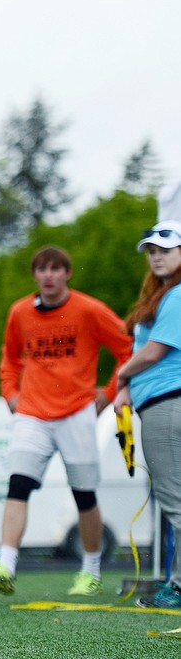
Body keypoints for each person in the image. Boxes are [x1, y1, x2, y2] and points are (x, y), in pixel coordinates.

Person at [0, 245, 132, 596]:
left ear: (67, 274)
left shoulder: (89, 309)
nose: (48, 275)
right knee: (18, 485)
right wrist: (9, 393)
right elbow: (9, 358)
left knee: (84, 495)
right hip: (32, 412)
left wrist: (108, 393)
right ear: (34, 275)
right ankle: (6, 567)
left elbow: (127, 349)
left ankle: (90, 571)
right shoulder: (19, 312)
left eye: (55, 268)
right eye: (42, 269)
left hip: (77, 411)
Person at [112, 218, 181, 609]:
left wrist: (122, 374)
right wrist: (125, 386)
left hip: (168, 405)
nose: (156, 257)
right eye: (152, 251)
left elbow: (153, 353)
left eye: (166, 250)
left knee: (175, 504)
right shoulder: (167, 295)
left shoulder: (178, 295)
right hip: (163, 403)